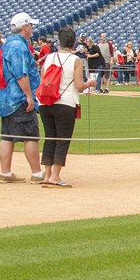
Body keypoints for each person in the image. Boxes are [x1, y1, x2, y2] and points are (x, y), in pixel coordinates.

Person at [38, 27, 94, 186]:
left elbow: (43, 79)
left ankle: (47, 174)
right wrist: (90, 83)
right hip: (65, 102)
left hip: (45, 102)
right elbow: (78, 85)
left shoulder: (49, 57)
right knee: (62, 139)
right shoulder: (75, 59)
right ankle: (55, 175)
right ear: (73, 42)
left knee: (50, 138)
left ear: (59, 41)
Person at [0, 13, 43, 184]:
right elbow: (21, 74)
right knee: (30, 135)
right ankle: (37, 173)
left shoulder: (8, 43)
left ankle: (5, 173)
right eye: (31, 25)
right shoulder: (18, 46)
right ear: (25, 27)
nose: (32, 28)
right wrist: (29, 96)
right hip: (18, 98)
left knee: (7, 136)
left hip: (6, 98)